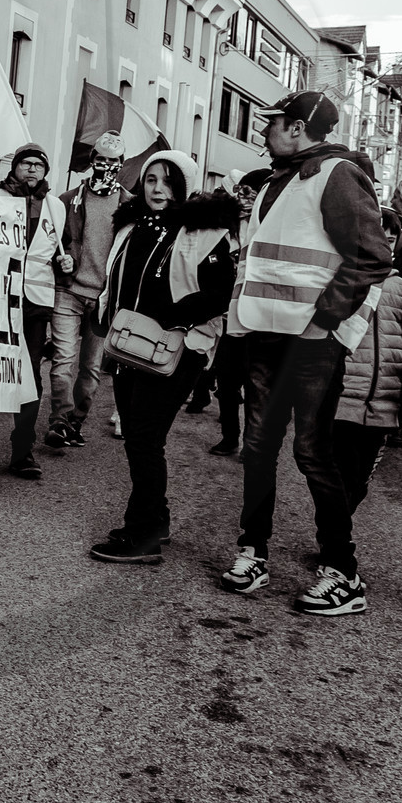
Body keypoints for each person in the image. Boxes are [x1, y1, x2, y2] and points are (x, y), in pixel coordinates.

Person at [220, 91, 394, 615]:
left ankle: (343, 571)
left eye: (273, 123)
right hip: (266, 334)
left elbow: (371, 258)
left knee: (312, 453)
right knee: (257, 447)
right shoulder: (281, 179)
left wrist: (324, 323)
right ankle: (253, 551)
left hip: (310, 341)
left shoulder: (334, 174)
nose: (264, 132)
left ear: (297, 129)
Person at [89, 152, 238, 563]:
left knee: (144, 440)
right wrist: (105, 311)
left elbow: (218, 294)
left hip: (177, 349)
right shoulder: (132, 227)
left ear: (185, 188)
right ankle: (158, 517)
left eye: (168, 182)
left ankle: (143, 534)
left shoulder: (205, 233)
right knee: (138, 437)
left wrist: (168, 319)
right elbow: (115, 281)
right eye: (151, 179)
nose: (157, 189)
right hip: (128, 346)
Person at [330, 207, 402, 514]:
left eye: (392, 238)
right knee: (338, 473)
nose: (384, 243)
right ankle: (333, 536)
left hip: (385, 402)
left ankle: (337, 528)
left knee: (360, 478)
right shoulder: (341, 280)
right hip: (342, 397)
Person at [48, 130, 129, 450]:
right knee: (62, 360)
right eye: (100, 160)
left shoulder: (129, 206)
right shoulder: (68, 200)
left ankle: (76, 421)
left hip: (104, 299)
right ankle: (60, 419)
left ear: (121, 164)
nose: (105, 166)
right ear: (91, 160)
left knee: (90, 369)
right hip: (68, 292)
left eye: (112, 162)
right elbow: (52, 242)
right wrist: (60, 260)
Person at [0, 143, 69, 480]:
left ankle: (22, 451)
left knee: (30, 376)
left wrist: (66, 262)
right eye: (25, 163)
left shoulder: (56, 207)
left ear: (45, 171)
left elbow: (63, 249)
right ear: (14, 168)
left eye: (38, 165)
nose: (31, 169)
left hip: (36, 303)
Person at [207, 168, 272, 458]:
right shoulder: (226, 225)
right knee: (226, 377)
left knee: (256, 384)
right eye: (240, 191)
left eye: (249, 193)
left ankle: (253, 442)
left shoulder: (270, 226)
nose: (242, 198)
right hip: (228, 314)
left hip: (259, 316)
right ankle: (229, 437)